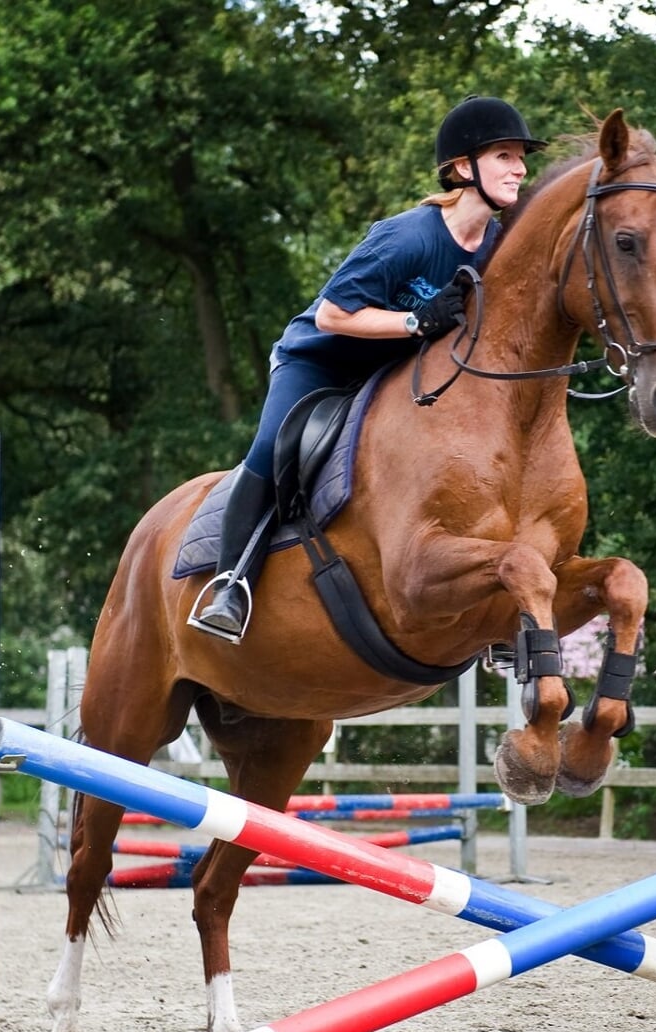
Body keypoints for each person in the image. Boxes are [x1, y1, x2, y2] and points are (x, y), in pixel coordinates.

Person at [189, 96, 547, 643]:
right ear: (461, 167)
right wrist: (414, 322)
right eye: (504, 155)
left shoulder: (495, 247)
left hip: (398, 378)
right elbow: (334, 314)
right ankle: (230, 583)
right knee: (270, 449)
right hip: (322, 362)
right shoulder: (408, 236)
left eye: (520, 156)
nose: (519, 167)